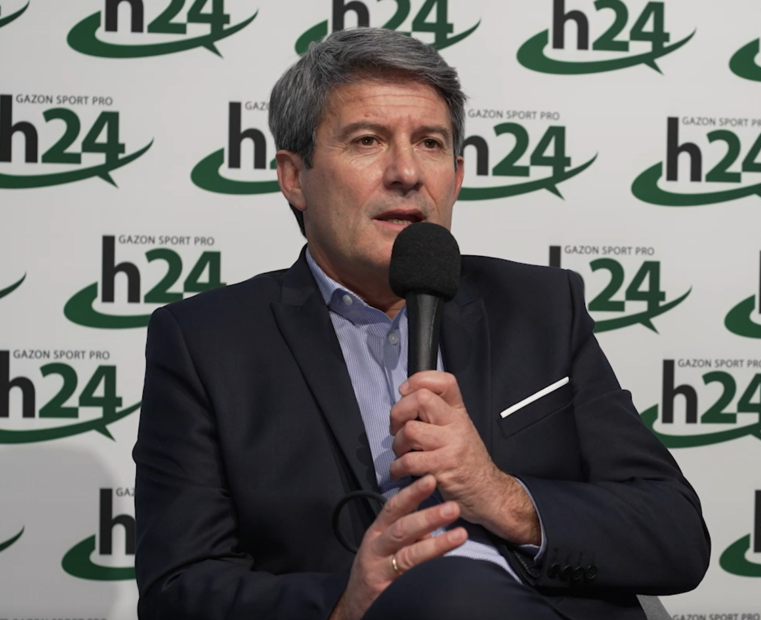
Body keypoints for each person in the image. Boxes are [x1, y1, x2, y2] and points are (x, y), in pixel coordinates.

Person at [133, 27, 710, 620]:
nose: (406, 171)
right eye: (367, 141)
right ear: (294, 177)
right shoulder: (206, 342)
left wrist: (500, 495)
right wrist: (346, 604)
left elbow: (676, 534)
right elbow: (178, 588)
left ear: (455, 177)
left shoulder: (540, 307)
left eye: (430, 143)